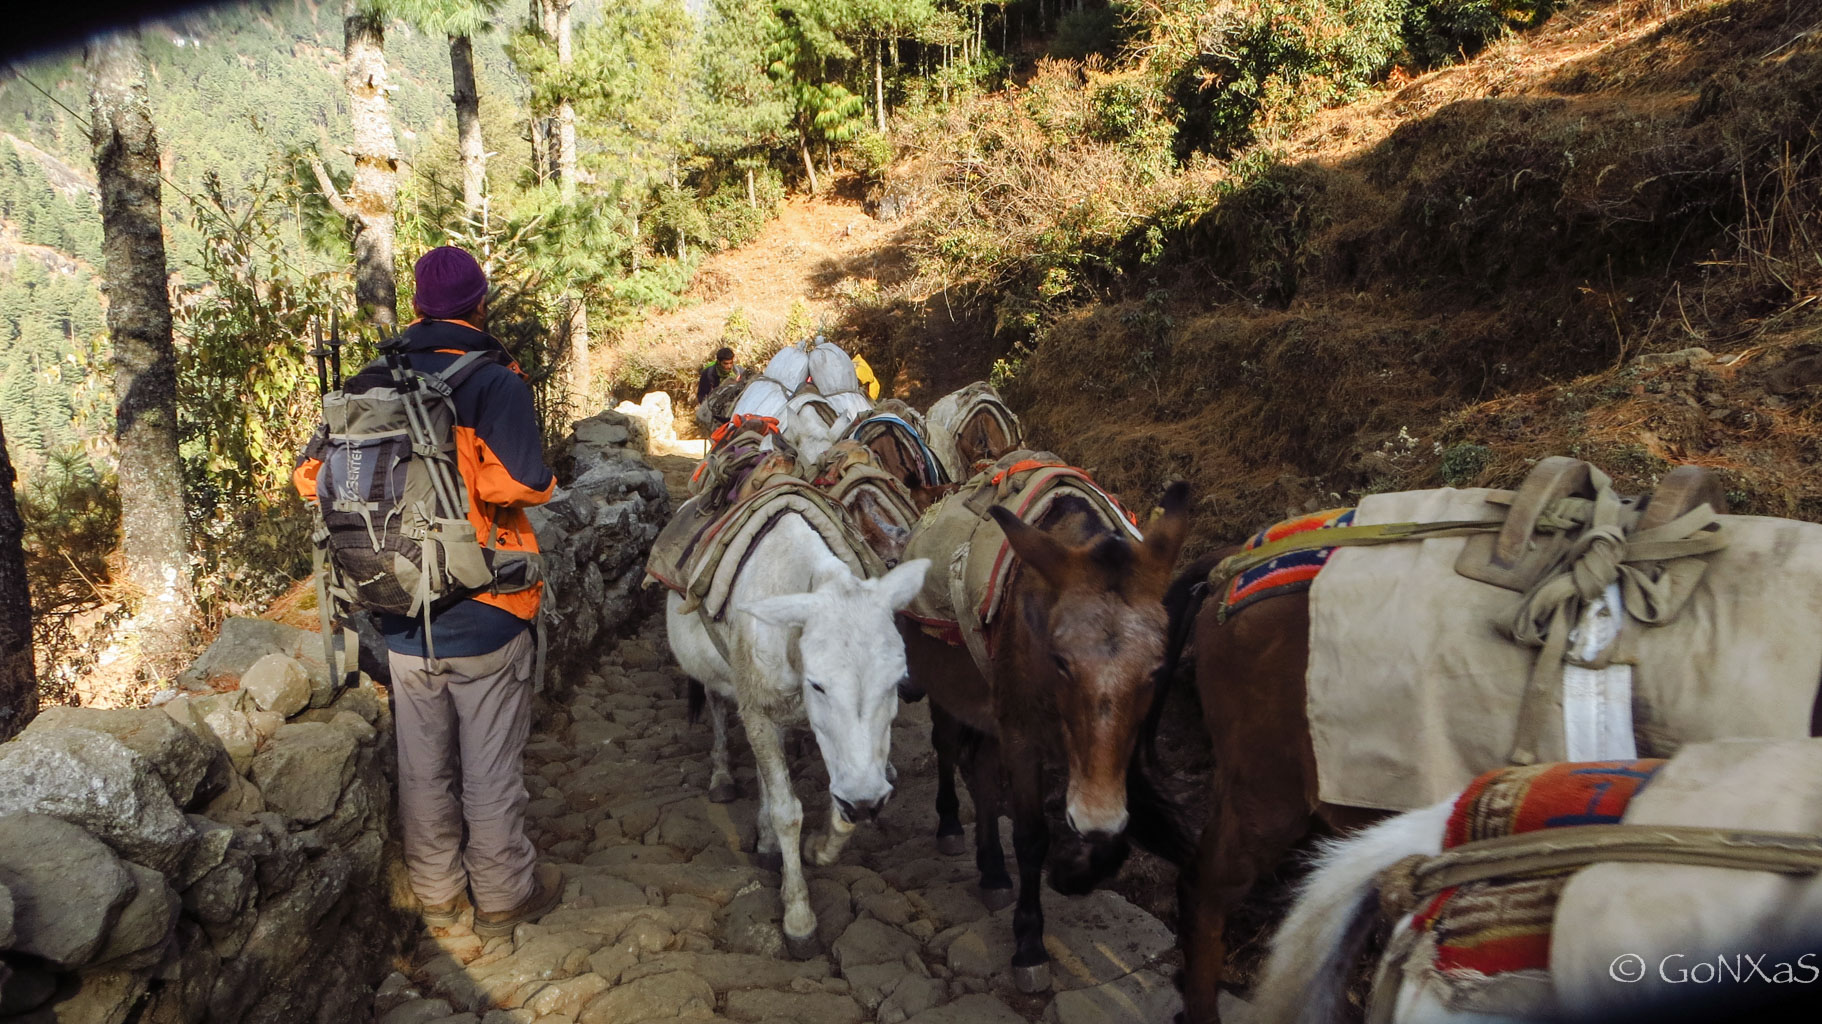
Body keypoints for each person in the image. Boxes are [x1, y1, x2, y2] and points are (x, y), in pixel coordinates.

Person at [293, 246, 562, 938]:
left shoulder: (368, 380)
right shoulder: (493, 381)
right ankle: (503, 895)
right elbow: (517, 486)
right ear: (480, 305)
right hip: (487, 611)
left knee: (422, 765)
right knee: (490, 765)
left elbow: (307, 479)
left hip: (399, 608)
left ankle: (439, 895)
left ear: (416, 307)